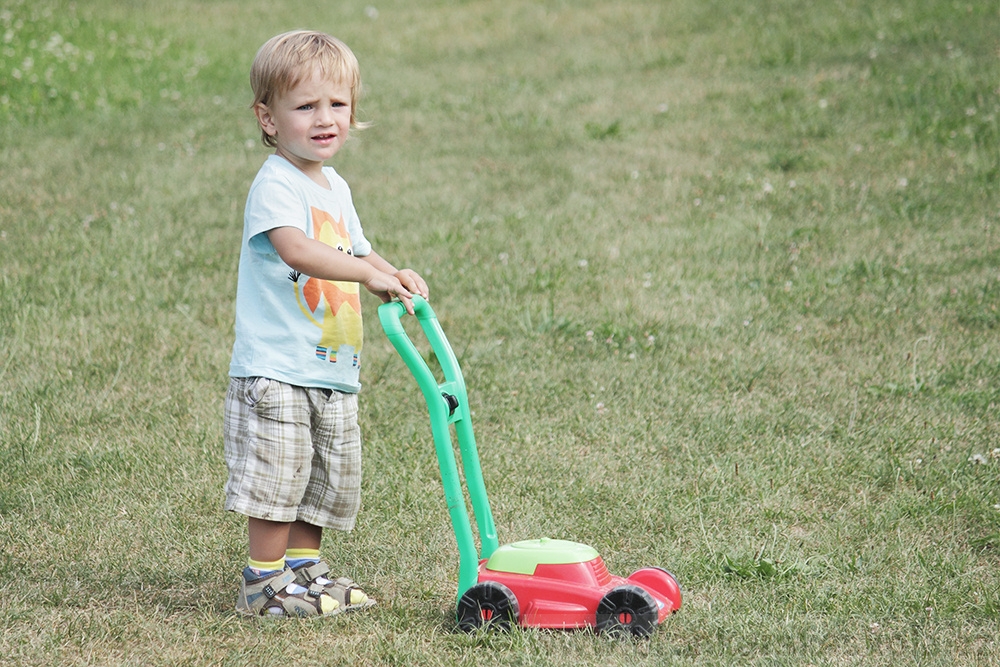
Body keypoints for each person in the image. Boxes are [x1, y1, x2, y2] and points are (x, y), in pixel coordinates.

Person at [224, 29, 429, 618]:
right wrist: (367, 277)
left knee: (325, 475)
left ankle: (303, 571)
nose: (325, 119)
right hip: (278, 366)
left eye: (337, 105)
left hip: (331, 365)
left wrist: (395, 274)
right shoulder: (276, 184)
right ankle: (262, 583)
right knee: (279, 474)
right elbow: (296, 250)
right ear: (268, 118)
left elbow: (359, 250)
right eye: (305, 106)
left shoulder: (334, 185)